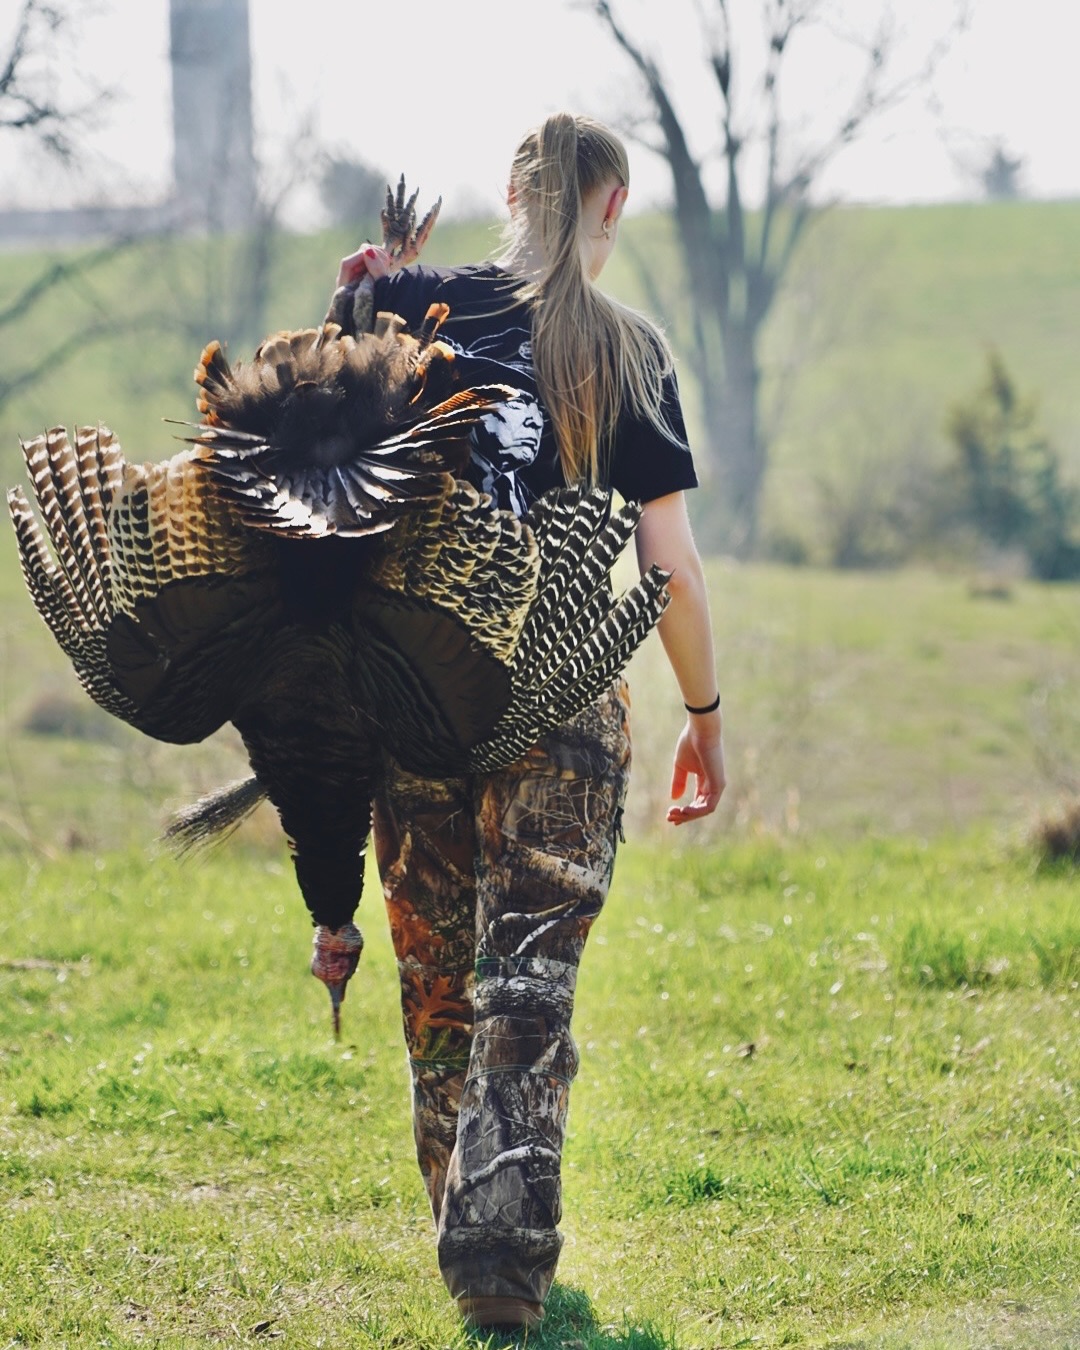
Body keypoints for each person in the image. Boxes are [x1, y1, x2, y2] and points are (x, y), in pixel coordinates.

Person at [331, 112, 726, 1333]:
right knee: (529, 991)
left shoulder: (416, 305)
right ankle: (504, 1258)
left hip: (419, 700)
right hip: (557, 703)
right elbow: (670, 565)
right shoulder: (624, 348)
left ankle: (468, 1232)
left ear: (512, 195)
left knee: (442, 981)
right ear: (609, 210)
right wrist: (705, 717)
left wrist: (365, 295)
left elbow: (317, 455)